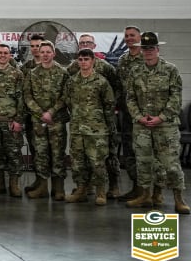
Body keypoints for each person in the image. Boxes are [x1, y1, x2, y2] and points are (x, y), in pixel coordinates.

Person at [124, 32, 189, 214]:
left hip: (165, 125)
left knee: (170, 164)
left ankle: (179, 199)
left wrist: (161, 117)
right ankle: (145, 195)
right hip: (142, 126)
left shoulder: (170, 70)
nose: (148, 52)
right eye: (145, 49)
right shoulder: (135, 71)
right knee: (143, 162)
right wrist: (139, 117)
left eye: (151, 48)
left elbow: (175, 97)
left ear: (158, 49)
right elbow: (130, 98)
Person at [68, 33, 123, 198]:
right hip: (80, 123)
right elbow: (68, 96)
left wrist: (112, 109)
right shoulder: (73, 70)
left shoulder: (105, 68)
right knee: (80, 159)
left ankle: (111, 187)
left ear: (94, 46)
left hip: (101, 123)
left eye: (88, 42)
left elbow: (116, 88)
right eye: (82, 42)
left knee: (106, 156)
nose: (85, 45)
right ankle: (84, 188)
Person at [63, 48, 114, 206]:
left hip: (96, 130)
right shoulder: (72, 81)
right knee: (77, 163)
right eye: (81, 59)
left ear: (93, 61)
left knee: (97, 162)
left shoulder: (101, 81)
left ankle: (100, 191)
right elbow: (68, 101)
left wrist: (106, 126)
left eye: (86, 59)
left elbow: (109, 105)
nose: (83, 62)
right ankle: (81, 190)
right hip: (78, 129)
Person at [23, 41, 70, 201]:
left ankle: (59, 189)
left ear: (53, 53)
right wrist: (40, 112)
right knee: (41, 154)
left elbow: (65, 96)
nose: (44, 54)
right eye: (42, 52)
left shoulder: (63, 73)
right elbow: (27, 96)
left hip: (56, 121)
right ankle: (42, 187)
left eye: (48, 52)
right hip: (38, 122)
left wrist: (51, 112)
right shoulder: (32, 73)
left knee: (58, 155)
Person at [0, 43, 26, 198]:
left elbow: (21, 99)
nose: (2, 55)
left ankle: (14, 184)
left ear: (10, 55)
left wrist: (18, 120)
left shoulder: (17, 74)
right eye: (0, 53)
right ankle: (0, 181)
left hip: (10, 121)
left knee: (14, 153)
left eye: (5, 53)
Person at [115, 25, 143, 200]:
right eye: (126, 35)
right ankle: (136, 187)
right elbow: (119, 86)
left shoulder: (146, 58)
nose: (129, 38)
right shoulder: (123, 60)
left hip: (144, 115)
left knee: (145, 152)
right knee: (129, 152)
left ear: (139, 37)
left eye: (132, 35)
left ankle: (150, 191)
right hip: (127, 115)